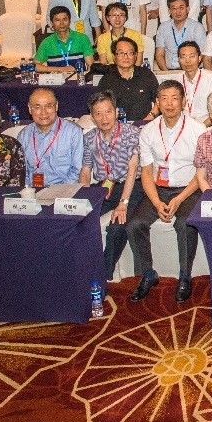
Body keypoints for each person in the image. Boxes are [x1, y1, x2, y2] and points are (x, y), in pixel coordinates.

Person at [128, 80, 204, 303]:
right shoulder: (148, 131)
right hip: (159, 190)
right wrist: (156, 202)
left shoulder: (198, 130)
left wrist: (179, 199)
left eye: (174, 98)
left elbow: (201, 173)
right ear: (157, 103)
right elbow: (147, 172)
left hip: (189, 189)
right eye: (164, 99)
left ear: (183, 102)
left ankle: (185, 276)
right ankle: (147, 273)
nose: (169, 104)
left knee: (184, 224)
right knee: (135, 224)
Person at [80, 91, 142, 282]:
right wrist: (85, 199)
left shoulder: (132, 133)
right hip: (104, 186)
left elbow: (132, 168)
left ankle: (102, 275)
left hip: (131, 186)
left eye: (108, 112)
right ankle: (79, 268)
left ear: (116, 112)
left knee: (117, 226)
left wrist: (123, 202)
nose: (104, 118)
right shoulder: (90, 137)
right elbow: (85, 170)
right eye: (98, 114)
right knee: (79, 219)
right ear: (92, 117)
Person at [20, 87, 83, 187]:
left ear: (56, 106)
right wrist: (29, 191)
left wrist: (57, 191)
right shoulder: (24, 135)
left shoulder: (73, 132)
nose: (43, 112)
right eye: (37, 107)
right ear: (29, 109)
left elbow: (77, 170)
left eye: (48, 106)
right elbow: (22, 172)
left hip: (64, 190)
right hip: (33, 190)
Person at [99, 36, 160, 121]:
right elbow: (101, 107)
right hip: (117, 125)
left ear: (135, 56)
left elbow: (159, 100)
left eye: (130, 53)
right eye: (121, 53)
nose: (126, 57)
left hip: (145, 124)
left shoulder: (147, 75)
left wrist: (148, 119)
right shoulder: (106, 80)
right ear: (114, 57)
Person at [34, 6, 94, 72]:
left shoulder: (82, 38)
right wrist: (60, 69)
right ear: (51, 23)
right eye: (57, 20)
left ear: (69, 21)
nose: (61, 23)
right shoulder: (47, 42)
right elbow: (35, 66)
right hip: (56, 78)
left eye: (64, 19)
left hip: (79, 77)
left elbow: (90, 65)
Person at [176, 41, 212, 123]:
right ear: (179, 60)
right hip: (182, 126)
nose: (187, 61)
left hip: (206, 126)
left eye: (191, 56)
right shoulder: (176, 80)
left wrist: (200, 127)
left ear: (199, 58)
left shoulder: (211, 79)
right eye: (183, 57)